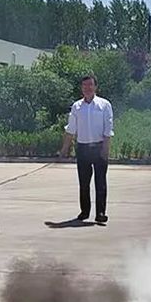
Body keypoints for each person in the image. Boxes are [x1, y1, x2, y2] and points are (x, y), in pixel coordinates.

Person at [59, 74, 114, 223]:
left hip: (99, 147)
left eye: (90, 85)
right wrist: (65, 149)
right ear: (81, 88)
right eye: (84, 85)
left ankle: (100, 213)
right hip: (82, 148)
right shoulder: (77, 106)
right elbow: (71, 129)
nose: (87, 88)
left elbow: (108, 129)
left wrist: (105, 149)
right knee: (84, 183)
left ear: (95, 87)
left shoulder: (104, 105)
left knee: (100, 182)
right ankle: (84, 211)